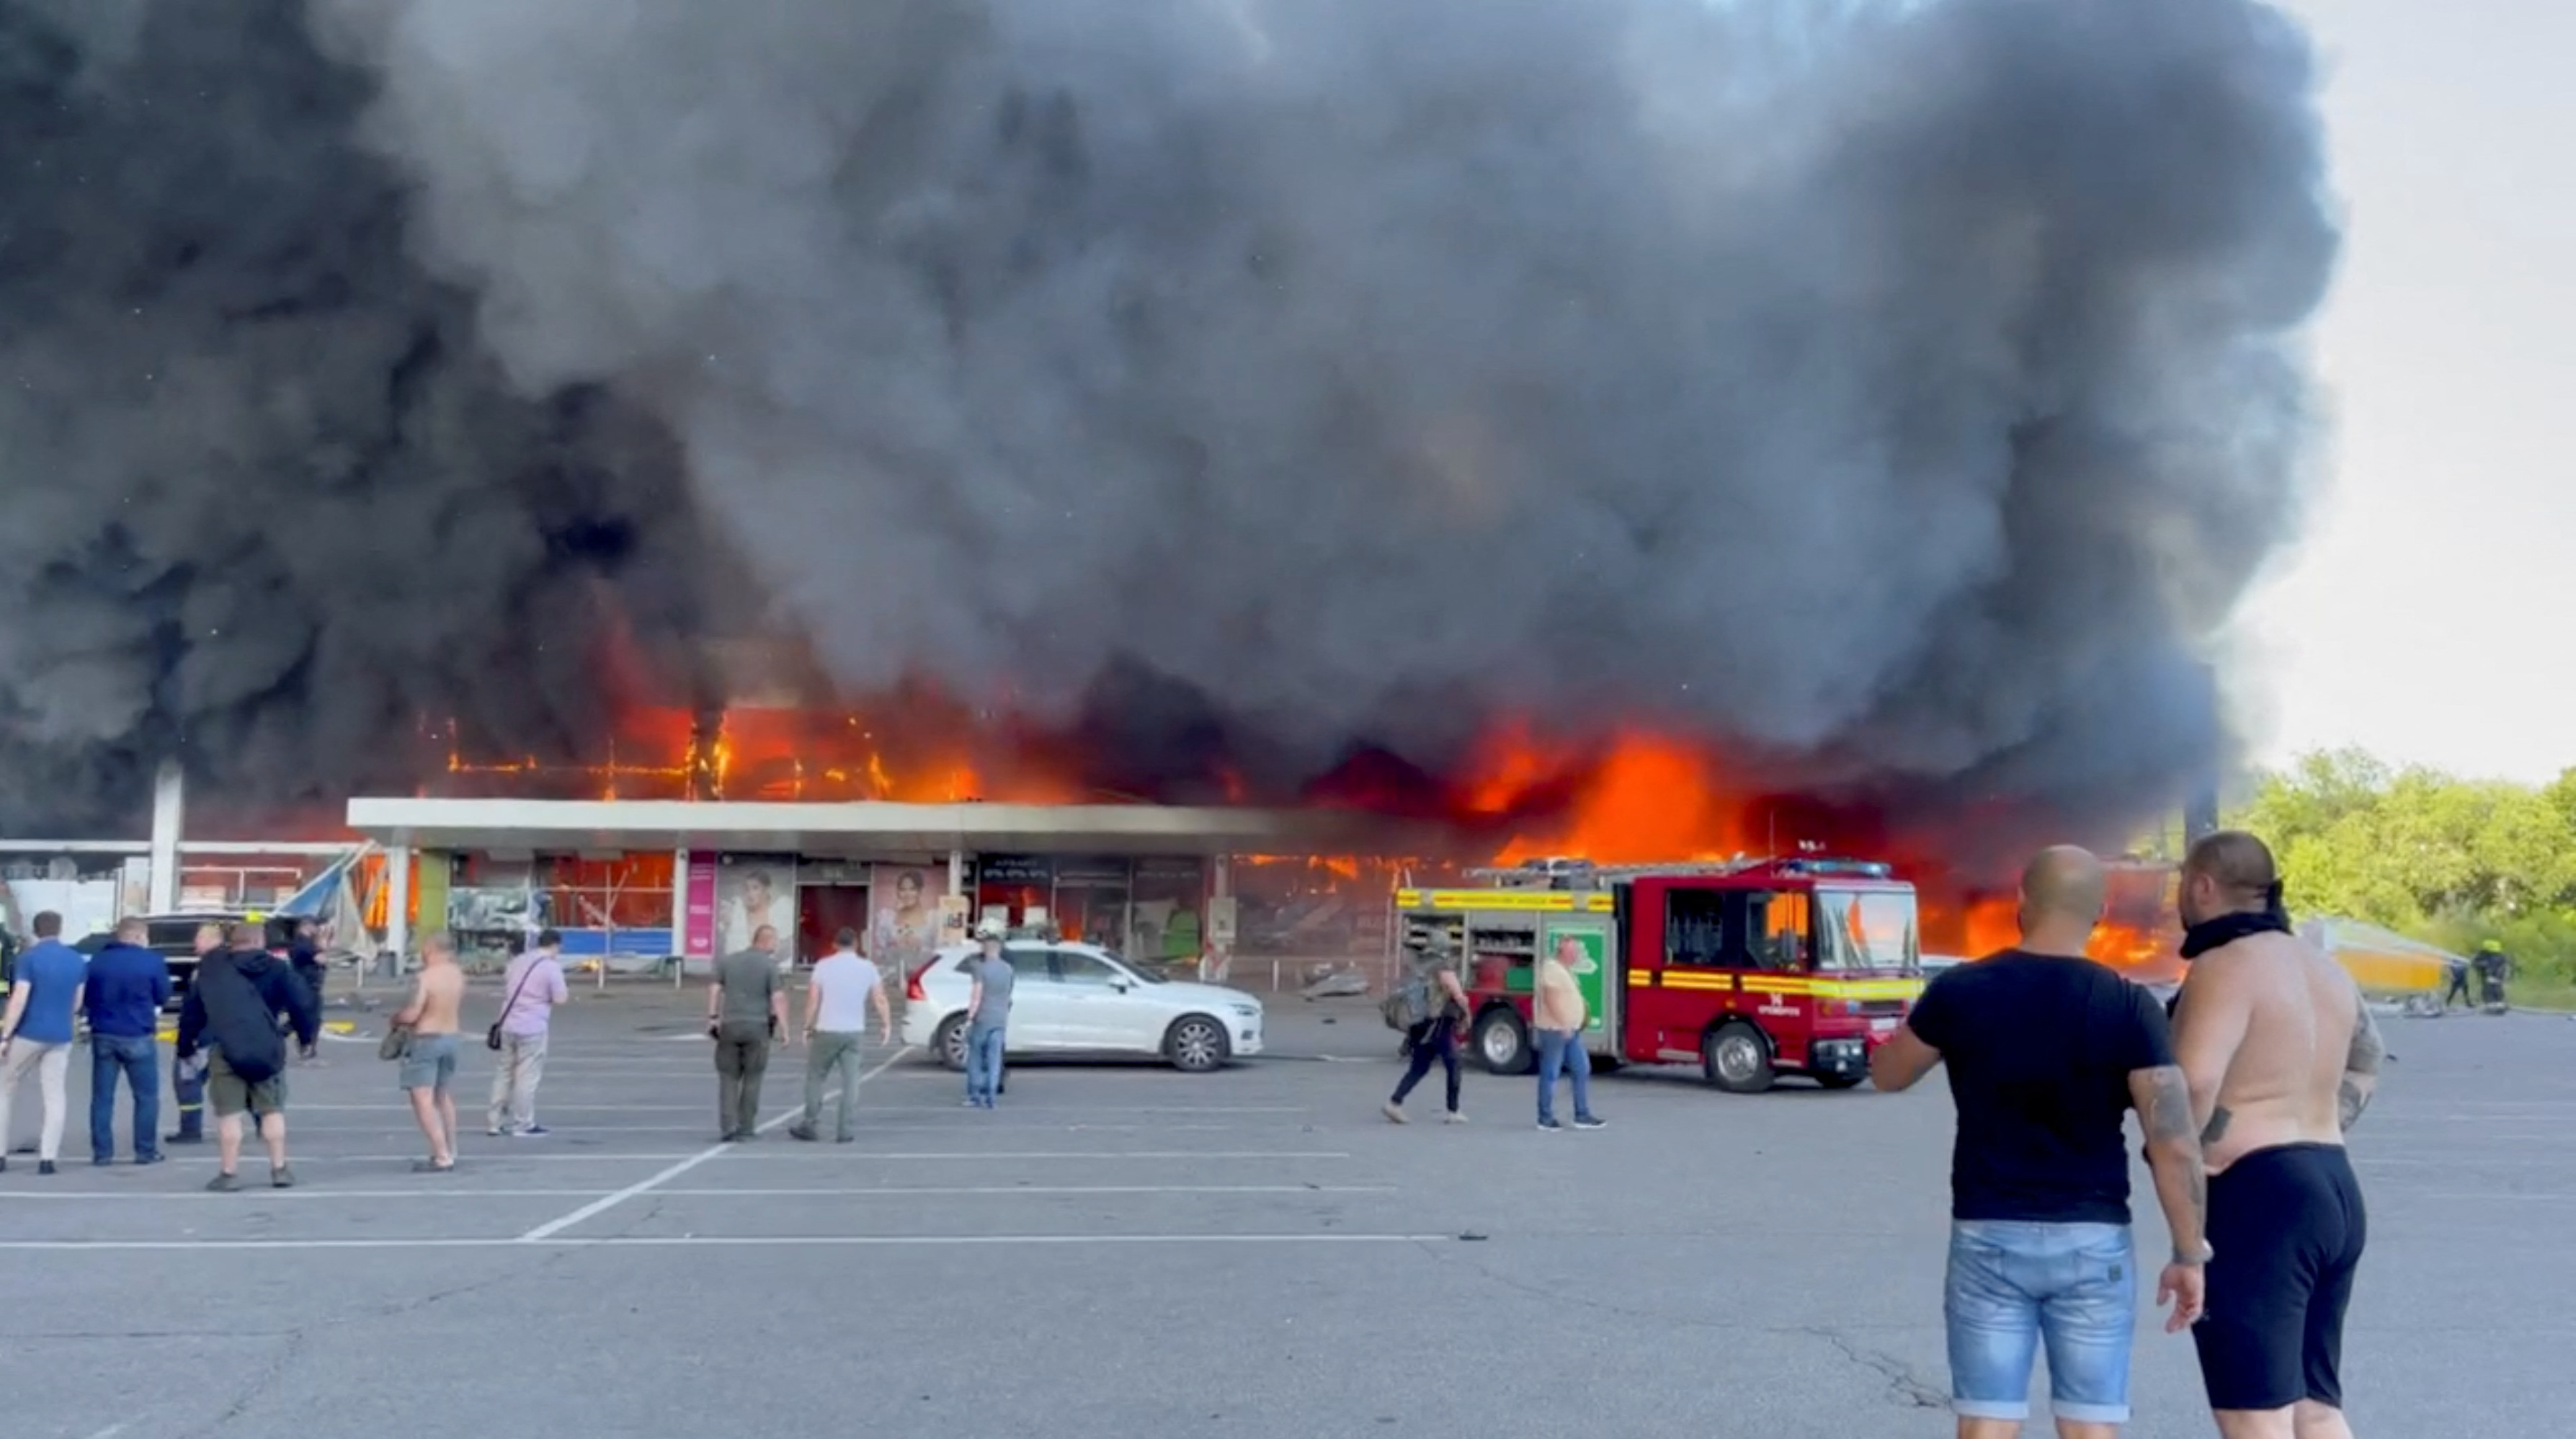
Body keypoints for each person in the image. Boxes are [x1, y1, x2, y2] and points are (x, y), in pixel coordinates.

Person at [1870, 846, 2209, 1439]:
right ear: (2099, 911)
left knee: (1986, 1419)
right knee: (2090, 1424)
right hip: (2093, 1239)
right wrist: (2187, 1254)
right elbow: (2173, 1140)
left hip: (1987, 1233)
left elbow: (1887, 1073)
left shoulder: (1960, 989)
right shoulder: (2128, 1004)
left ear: (2021, 902)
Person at [2169, 832, 2378, 1439]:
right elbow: (2368, 1058)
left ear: (2202, 886)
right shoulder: (2325, 968)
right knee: (2315, 1406)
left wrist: (2195, 1156)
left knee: (2253, 1414)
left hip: (2260, 1198)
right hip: (2333, 1183)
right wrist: (2316, 1127)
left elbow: (2194, 1082)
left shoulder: (2221, 966)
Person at [178, 921, 321, 1191]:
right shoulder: (278, 969)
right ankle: (279, 1169)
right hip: (267, 1048)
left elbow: (192, 1011)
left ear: (232, 942)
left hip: (227, 1048)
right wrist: (304, 1039)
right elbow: (303, 1004)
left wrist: (186, 1045)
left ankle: (229, 1173)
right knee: (272, 1110)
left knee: (229, 1114)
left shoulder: (214, 969)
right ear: (261, 941)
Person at [0, 911, 88, 1176]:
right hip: (60, 1035)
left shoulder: (29, 959)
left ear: (36, 931)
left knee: (6, 1088)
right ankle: (48, 1158)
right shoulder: (76, 960)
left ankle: (0, 1154)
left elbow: (19, 999)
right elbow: (77, 1002)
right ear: (60, 929)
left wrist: (5, 1035)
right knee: (54, 1094)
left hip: (29, 1033)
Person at [790, 927, 892, 1142]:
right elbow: (880, 998)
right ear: (857, 944)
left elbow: (813, 1000)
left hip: (827, 1029)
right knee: (851, 1082)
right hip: (854, 1031)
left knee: (816, 1077)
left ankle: (810, 1123)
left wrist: (807, 1027)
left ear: (835, 944)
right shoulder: (868, 968)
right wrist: (886, 1024)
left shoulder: (823, 967)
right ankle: (844, 1130)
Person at [86, 917, 173, 1166]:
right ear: (138, 936)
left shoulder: (99, 960)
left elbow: (88, 996)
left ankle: (102, 1152)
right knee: (146, 1096)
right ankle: (145, 1150)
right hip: (138, 1032)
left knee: (102, 1097)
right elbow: (163, 995)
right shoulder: (152, 961)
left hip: (103, 1032)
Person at [393, 931, 467, 1172]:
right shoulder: (457, 975)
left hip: (427, 1038)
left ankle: (442, 1154)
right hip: (451, 1036)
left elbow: (414, 1013)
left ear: (432, 950)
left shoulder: (426, 977)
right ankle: (451, 1147)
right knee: (442, 1095)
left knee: (422, 1099)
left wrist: (396, 1019)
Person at [488, 928, 570, 1138]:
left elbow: (508, 986)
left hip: (507, 1024)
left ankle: (495, 1122)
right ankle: (523, 1123)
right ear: (556, 945)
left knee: (504, 1072)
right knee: (526, 1076)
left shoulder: (518, 962)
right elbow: (561, 999)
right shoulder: (551, 968)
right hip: (533, 1027)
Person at [709, 925, 788, 1141]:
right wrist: (784, 1028)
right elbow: (777, 998)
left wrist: (713, 1017)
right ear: (765, 941)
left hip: (730, 1026)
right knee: (753, 1078)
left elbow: (715, 989)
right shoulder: (770, 966)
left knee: (728, 1077)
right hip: (757, 1028)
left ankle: (727, 1126)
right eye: (775, 941)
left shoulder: (728, 961)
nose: (776, 945)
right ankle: (746, 1126)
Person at [1383, 936, 1471, 1125]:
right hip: (1439, 1024)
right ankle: (1453, 1111)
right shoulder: (1443, 967)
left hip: (1419, 1024)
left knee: (1419, 1067)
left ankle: (1395, 1102)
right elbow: (1458, 995)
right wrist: (1467, 1013)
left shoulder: (1420, 966)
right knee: (1454, 1063)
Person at [1533, 935, 1605, 1132]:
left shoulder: (1565, 970)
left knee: (1581, 1068)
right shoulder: (1552, 969)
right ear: (1562, 952)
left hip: (1570, 1029)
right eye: (1572, 952)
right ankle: (1545, 1118)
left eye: (1576, 952)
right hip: (1555, 1030)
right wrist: (1563, 1023)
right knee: (1551, 1072)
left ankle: (1582, 1114)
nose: (1576, 955)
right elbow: (1551, 999)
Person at [166, 923, 224, 1146]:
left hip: (203, 1037)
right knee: (238, 1081)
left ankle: (190, 1129)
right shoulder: (232, 965)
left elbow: (194, 1009)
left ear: (212, 940)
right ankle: (263, 1121)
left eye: (199, 939)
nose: (194, 944)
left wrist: (185, 1042)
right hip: (227, 1035)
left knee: (186, 1081)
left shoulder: (206, 969)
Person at [962, 931, 1014, 1109]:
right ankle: (992, 1097)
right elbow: (1008, 995)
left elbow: (977, 995)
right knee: (994, 1059)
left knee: (976, 1058)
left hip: (983, 1019)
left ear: (986, 950)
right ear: (999, 950)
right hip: (1000, 1019)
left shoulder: (980, 969)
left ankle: (975, 1095)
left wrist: (970, 1017)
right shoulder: (1008, 969)